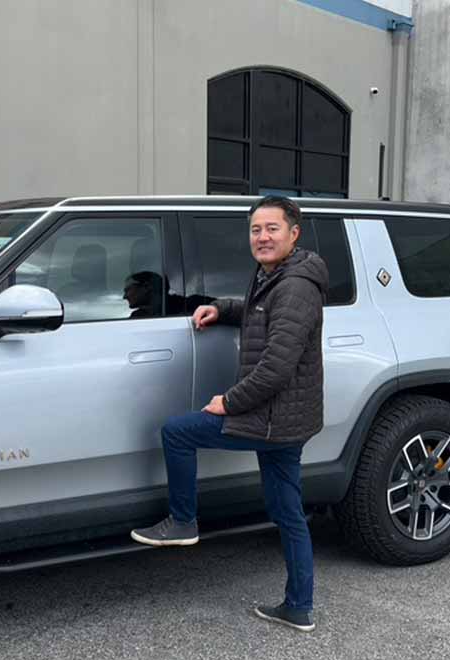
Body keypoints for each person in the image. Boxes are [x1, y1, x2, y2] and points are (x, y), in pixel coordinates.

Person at [130, 196, 328, 632]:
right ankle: (299, 607)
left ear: (294, 233)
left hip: (270, 417)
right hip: (286, 419)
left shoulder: (295, 286)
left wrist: (228, 402)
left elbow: (276, 367)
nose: (262, 237)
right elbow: (258, 313)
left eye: (272, 229)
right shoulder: (276, 276)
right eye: (256, 229)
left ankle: (183, 521)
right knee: (287, 511)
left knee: (178, 432)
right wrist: (222, 307)